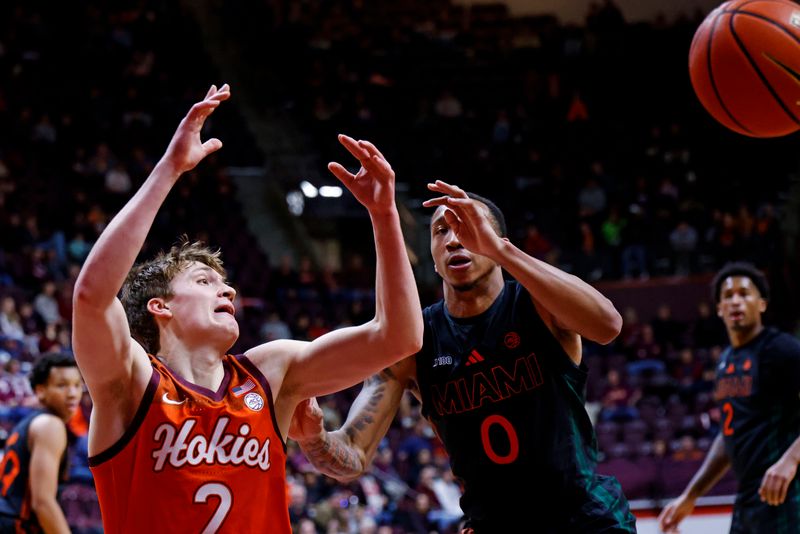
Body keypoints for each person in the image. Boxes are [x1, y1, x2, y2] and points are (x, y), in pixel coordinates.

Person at [70, 84, 423, 533]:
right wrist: (170, 169)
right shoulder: (131, 381)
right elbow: (91, 297)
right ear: (160, 306)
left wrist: (384, 216)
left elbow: (399, 338)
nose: (229, 291)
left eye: (226, 283)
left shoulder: (270, 372)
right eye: (205, 281)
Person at [290, 181, 636, 532]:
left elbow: (607, 324)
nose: (454, 240)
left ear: (493, 237)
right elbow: (353, 453)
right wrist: (313, 438)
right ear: (433, 253)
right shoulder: (414, 341)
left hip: (583, 518)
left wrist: (501, 250)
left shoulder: (539, 304)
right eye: (441, 231)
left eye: (467, 229)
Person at [658, 261, 800, 534]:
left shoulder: (782, 349)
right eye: (728, 296)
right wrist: (691, 495)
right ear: (720, 309)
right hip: (748, 499)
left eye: (744, 294)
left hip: (787, 491)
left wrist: (791, 460)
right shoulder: (725, 362)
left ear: (761, 304)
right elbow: (728, 434)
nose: (736, 301)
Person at [0, 353, 84, 533]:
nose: (72, 393)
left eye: (77, 385)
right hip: (17, 525)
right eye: (62, 385)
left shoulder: (31, 422)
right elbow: (43, 503)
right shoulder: (50, 426)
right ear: (40, 390)